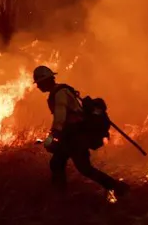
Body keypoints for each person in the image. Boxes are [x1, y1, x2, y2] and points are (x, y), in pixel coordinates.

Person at [32, 65, 130, 197]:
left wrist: (54, 134)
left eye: (39, 83)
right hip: (69, 135)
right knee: (57, 162)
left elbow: (60, 116)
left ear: (46, 80)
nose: (38, 86)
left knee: (84, 168)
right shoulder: (59, 92)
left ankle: (117, 187)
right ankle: (59, 194)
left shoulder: (59, 94)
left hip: (75, 136)